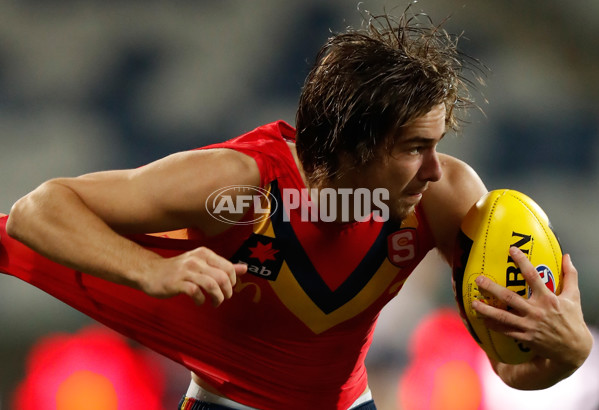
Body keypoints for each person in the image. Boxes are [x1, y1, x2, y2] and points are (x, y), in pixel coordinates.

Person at [0, 7, 592, 410]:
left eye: (437, 144)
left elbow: (515, 370)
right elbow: (37, 211)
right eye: (415, 148)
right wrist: (153, 270)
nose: (439, 169)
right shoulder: (234, 185)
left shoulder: (445, 198)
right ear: (352, 145)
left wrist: (568, 354)